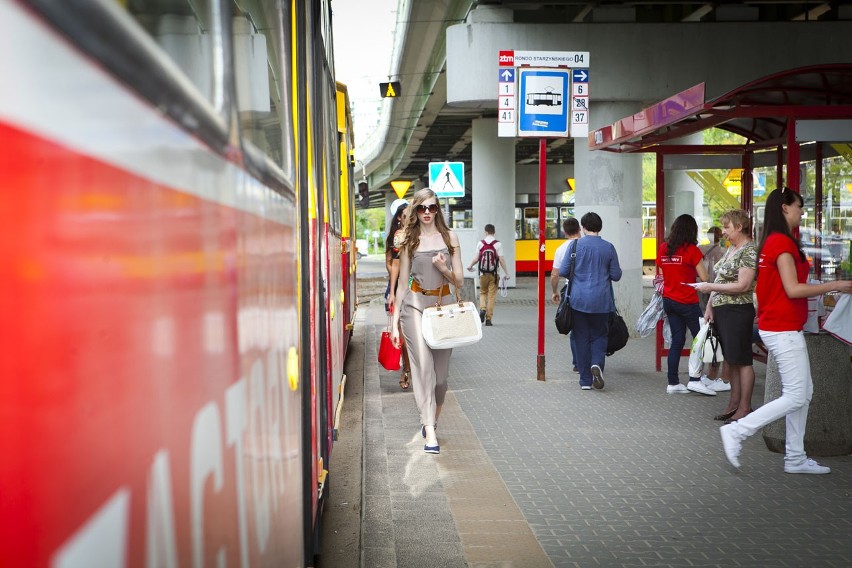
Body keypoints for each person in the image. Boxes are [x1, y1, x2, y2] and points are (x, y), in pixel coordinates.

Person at [720, 188, 852, 473]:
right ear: (784, 208)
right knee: (796, 395)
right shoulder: (781, 243)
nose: (801, 212)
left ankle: (795, 457)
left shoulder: (772, 241)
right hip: (782, 328)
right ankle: (739, 431)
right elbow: (793, 289)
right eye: (798, 207)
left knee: (803, 392)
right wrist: (835, 285)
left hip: (780, 326)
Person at [391, 188, 464, 454]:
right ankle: (429, 431)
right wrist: (394, 319)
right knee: (423, 368)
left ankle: (432, 419)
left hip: (443, 308)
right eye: (421, 208)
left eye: (432, 208)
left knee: (441, 380)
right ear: (415, 210)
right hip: (415, 305)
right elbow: (402, 284)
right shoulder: (409, 239)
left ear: (438, 210)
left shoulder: (450, 237)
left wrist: (444, 268)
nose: (427, 213)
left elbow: (460, 281)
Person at [695, 209, 757, 422]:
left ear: (739, 227)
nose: (723, 232)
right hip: (723, 310)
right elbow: (722, 279)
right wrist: (710, 305)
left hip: (738, 311)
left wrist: (708, 287)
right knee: (732, 360)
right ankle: (734, 403)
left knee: (742, 360)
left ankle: (744, 407)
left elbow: (743, 285)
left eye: (727, 227)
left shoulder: (749, 250)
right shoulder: (733, 248)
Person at [558, 212, 622, 390]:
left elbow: (563, 270)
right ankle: (597, 364)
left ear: (583, 227)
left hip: (578, 301)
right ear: (599, 227)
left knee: (581, 337)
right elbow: (616, 275)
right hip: (602, 301)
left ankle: (585, 380)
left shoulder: (575, 246)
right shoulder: (608, 247)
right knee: (600, 335)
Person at [656, 214, 716, 396]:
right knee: (700, 340)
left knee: (677, 341)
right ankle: (696, 380)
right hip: (688, 302)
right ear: (692, 231)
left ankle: (673, 383)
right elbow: (705, 278)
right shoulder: (691, 250)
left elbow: (661, 273)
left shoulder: (663, 248)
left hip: (669, 301)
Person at [385, 198, 411, 390]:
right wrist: (392, 291)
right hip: (403, 288)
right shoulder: (399, 236)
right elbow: (394, 263)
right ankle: (407, 371)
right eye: (405, 216)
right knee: (403, 335)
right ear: (400, 219)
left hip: (424, 288)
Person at [550, 217, 581, 373]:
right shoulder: (586, 245)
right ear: (579, 229)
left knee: (575, 328)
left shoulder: (561, 249)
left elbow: (554, 275)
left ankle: (577, 362)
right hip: (592, 291)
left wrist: (555, 292)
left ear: (564, 231)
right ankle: (592, 360)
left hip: (571, 291)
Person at [466, 224, 508, 326]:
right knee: (491, 296)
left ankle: (482, 309)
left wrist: (470, 266)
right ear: (494, 232)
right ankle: (488, 319)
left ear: (485, 232)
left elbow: (476, 259)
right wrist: (507, 273)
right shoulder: (498, 244)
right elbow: (501, 260)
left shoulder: (481, 243)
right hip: (494, 274)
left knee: (483, 293)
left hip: (482, 273)